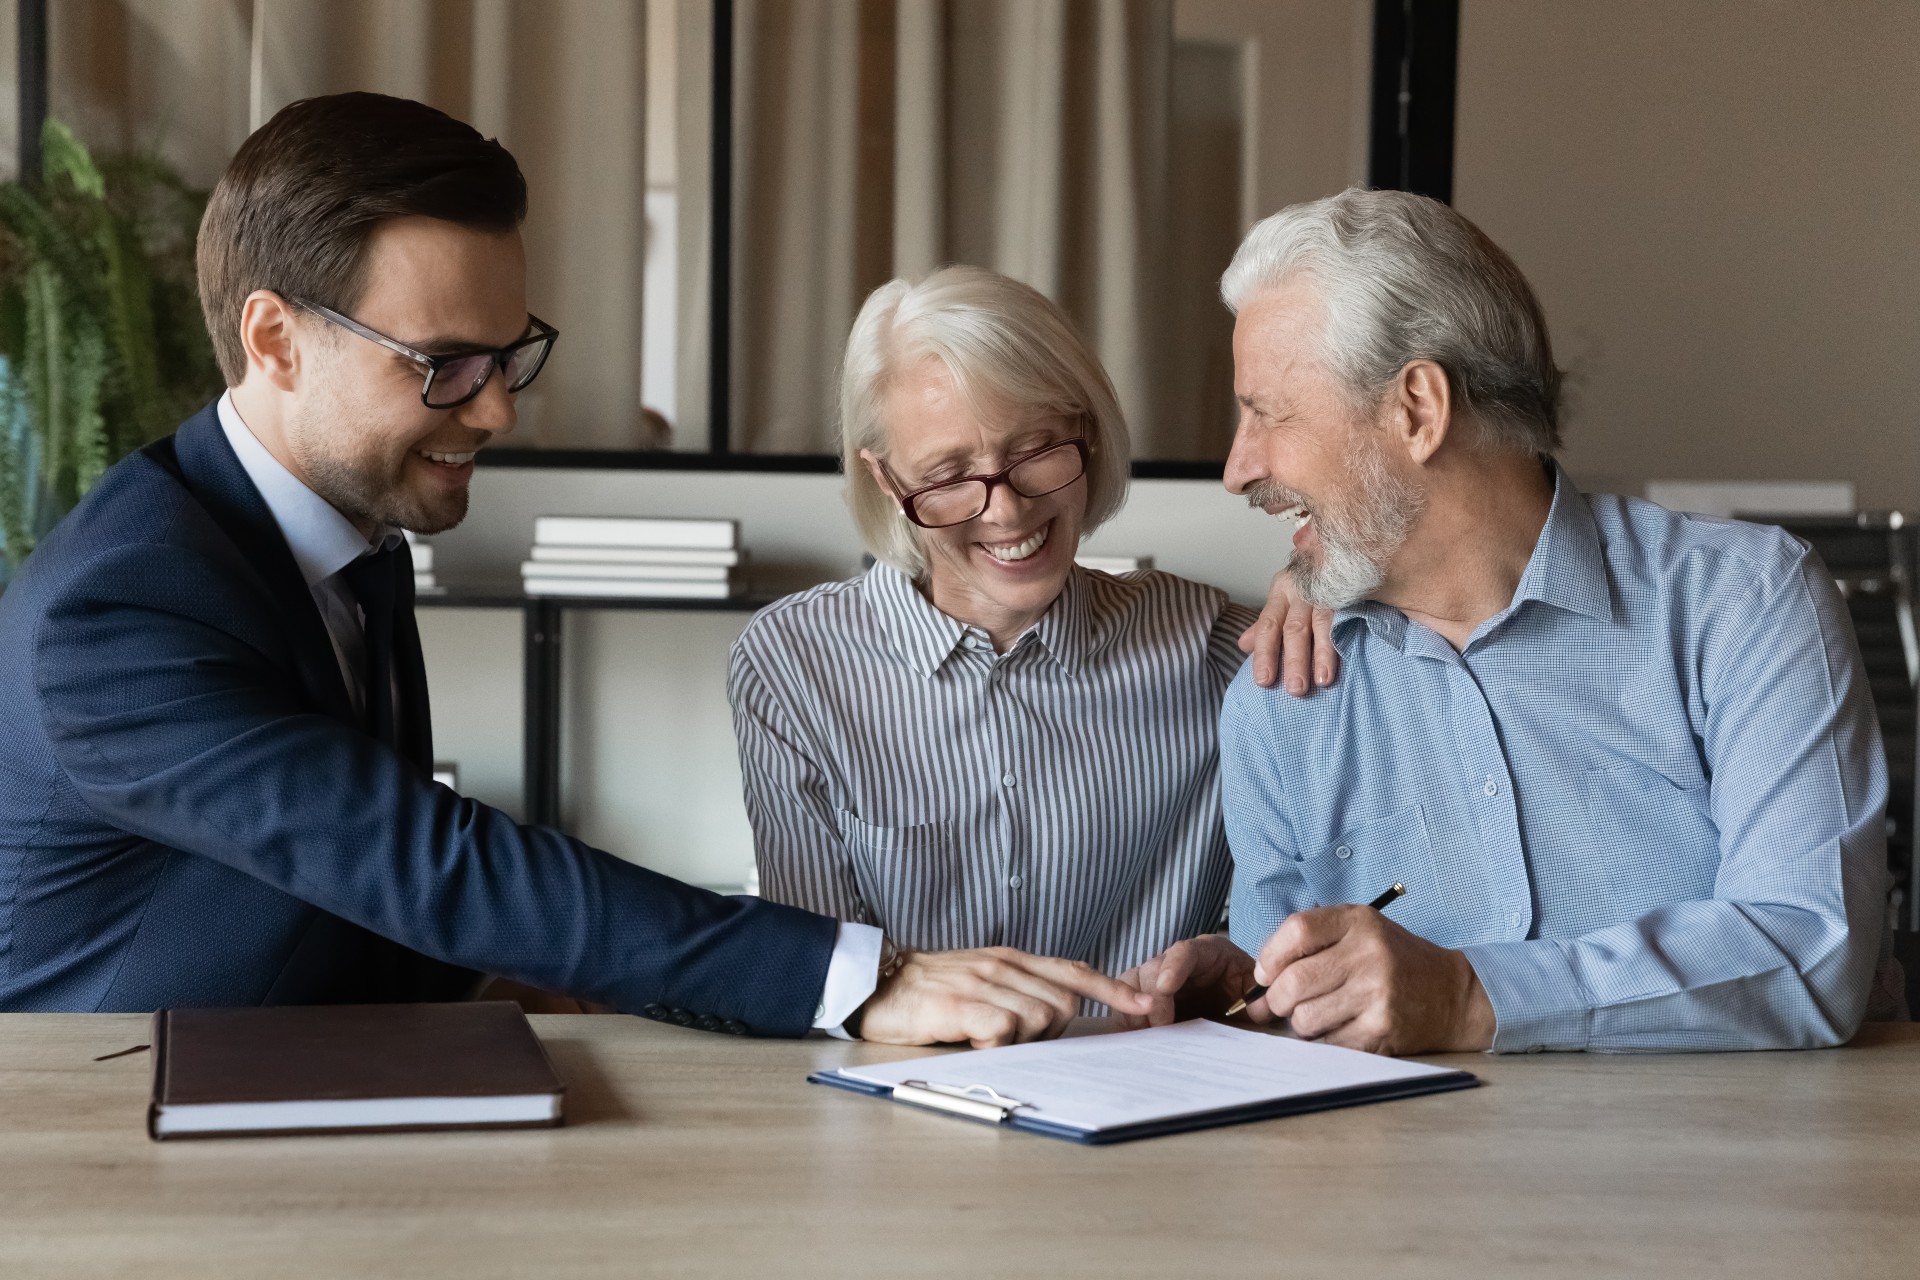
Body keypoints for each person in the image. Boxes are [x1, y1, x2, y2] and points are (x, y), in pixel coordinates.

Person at [0, 93, 1155, 1046]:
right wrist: (864, 977)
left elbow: (349, 887)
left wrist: (503, 986)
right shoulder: (120, 608)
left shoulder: (338, 535)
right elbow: (415, 854)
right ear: (275, 339)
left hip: (294, 1087)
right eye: (446, 364)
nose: (497, 407)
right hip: (108, 1140)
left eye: (510, 354)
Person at [1122, 188, 1888, 1053]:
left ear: (1418, 409)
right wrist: (1255, 994)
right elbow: (1303, 1038)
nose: (1237, 467)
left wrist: (1467, 996)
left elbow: (1810, 949)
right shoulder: (1283, 696)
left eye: (1267, 413)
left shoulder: (1744, 605)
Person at [730, 265, 1296, 988]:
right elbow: (816, 981)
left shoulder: (1210, 646)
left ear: (1087, 435)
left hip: (1144, 1087)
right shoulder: (792, 665)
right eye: (948, 474)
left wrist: (1327, 588)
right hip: (892, 1089)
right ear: (886, 480)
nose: (1006, 511)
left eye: (1035, 451)